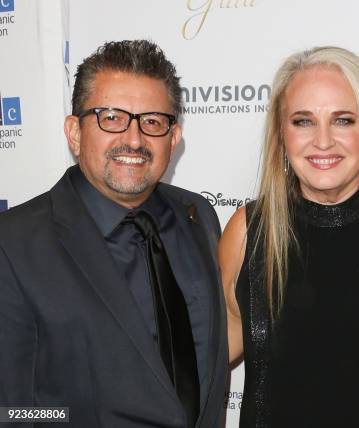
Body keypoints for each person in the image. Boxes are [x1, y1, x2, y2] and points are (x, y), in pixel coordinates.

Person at [0, 40, 228, 427]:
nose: (134, 139)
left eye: (152, 121)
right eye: (111, 117)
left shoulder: (198, 217)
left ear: (173, 139)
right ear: (75, 132)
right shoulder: (13, 245)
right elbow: (11, 410)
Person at [219, 46, 359, 427]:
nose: (324, 141)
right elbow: (201, 362)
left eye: (343, 120)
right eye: (303, 121)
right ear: (281, 135)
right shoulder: (249, 230)